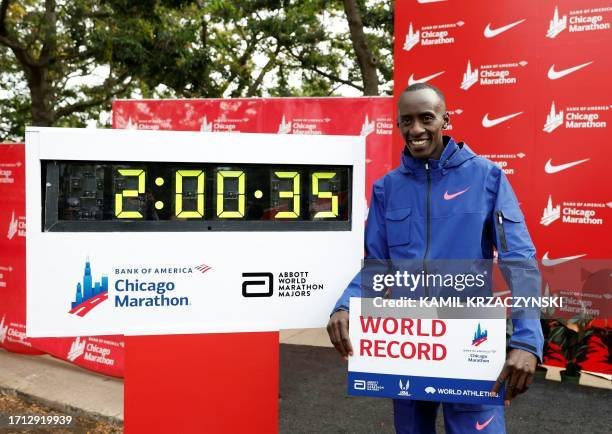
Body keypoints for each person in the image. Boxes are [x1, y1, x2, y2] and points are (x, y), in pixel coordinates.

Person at [327, 83, 543, 434]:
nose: (416, 129)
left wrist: (527, 341)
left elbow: (519, 260)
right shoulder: (386, 188)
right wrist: (347, 305)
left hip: (470, 340)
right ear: (397, 125)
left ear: (445, 119)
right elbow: (378, 266)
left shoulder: (487, 177)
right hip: (407, 341)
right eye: (406, 121)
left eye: (426, 118)